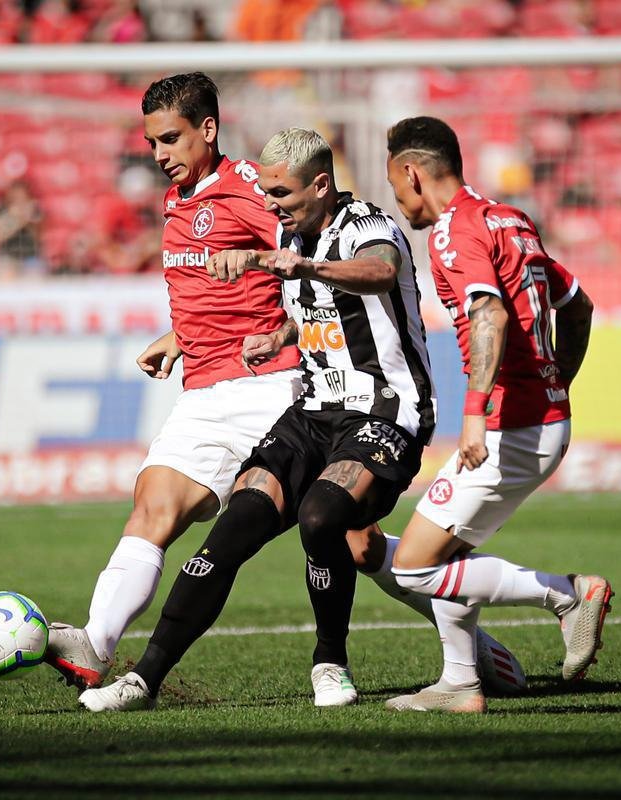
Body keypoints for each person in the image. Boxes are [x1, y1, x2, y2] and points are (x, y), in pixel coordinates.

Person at [45, 77, 524, 706]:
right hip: (207, 384)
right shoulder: (180, 198)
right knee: (155, 507)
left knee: (347, 537)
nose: (158, 153)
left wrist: (281, 321)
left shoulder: (253, 190)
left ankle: (469, 651)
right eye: (151, 142)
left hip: (276, 388)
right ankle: (100, 649)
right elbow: (238, 285)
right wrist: (181, 335)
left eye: (170, 138)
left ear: (207, 130)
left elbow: (315, 262)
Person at [78, 126, 441, 713]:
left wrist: (302, 268)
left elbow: (377, 272)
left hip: (384, 412)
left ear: (321, 185)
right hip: (314, 410)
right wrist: (279, 334)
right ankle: (142, 680)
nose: (269, 206)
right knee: (233, 528)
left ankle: (331, 663)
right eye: (267, 195)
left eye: (282, 195)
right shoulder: (291, 231)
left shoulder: (367, 226)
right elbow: (319, 313)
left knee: (323, 518)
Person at [383, 116, 611, 713]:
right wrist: (556, 379)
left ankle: (568, 595)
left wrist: (477, 414)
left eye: (396, 186)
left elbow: (490, 315)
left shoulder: (452, 233)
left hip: (511, 423)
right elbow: (578, 305)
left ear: (411, 173)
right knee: (447, 552)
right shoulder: (510, 218)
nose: (398, 200)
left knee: (412, 568)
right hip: (542, 415)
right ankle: (460, 683)